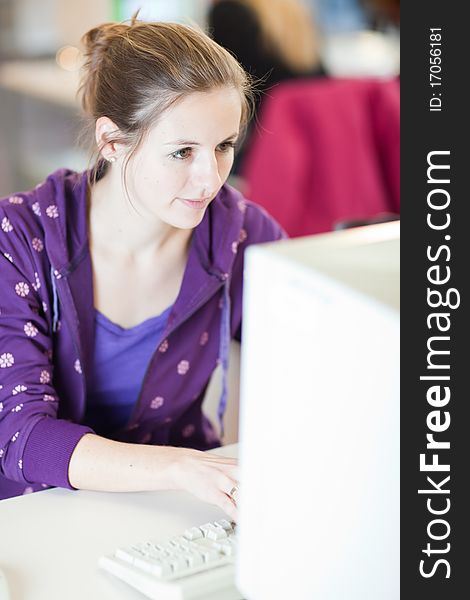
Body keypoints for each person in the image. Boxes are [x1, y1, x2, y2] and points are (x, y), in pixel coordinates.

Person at [0, 17, 286, 517]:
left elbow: (315, 351)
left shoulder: (238, 232)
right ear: (112, 142)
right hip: (36, 513)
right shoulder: (20, 239)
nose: (210, 179)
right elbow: (20, 435)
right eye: (182, 152)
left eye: (223, 146)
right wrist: (180, 468)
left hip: (174, 508)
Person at [207, 0, 326, 174]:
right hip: (307, 143)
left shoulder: (230, 12)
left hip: (258, 143)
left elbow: (223, 85)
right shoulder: (292, 11)